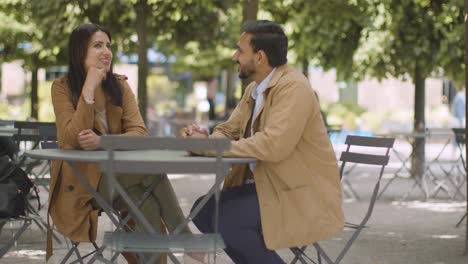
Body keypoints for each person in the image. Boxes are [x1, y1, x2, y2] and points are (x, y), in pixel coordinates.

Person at [180, 20, 344, 263]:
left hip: (300, 194)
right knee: (203, 211)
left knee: (230, 223)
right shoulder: (254, 90)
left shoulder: (294, 88)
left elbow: (272, 145)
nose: (235, 56)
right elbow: (228, 131)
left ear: (259, 57)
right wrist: (203, 139)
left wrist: (208, 148)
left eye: (240, 50)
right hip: (270, 186)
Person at [49, 23, 202, 264]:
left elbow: (139, 134)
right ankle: (185, 238)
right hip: (85, 184)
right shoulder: (62, 87)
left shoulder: (119, 85)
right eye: (97, 45)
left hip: (124, 179)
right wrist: (88, 88)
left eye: (108, 45)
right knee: (150, 173)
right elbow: (70, 139)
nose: (106, 51)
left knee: (148, 205)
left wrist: (103, 141)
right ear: (80, 52)